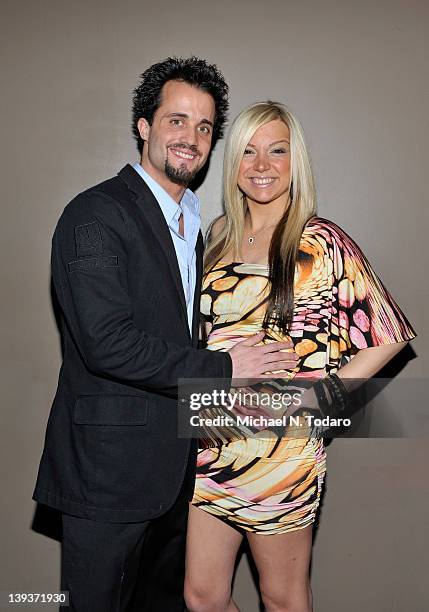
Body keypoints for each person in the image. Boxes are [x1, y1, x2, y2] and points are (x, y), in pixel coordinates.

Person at [32, 62, 298, 612]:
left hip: (181, 470)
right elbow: (106, 342)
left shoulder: (197, 221)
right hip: (108, 474)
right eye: (176, 120)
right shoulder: (96, 215)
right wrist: (226, 369)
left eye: (204, 127)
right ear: (143, 126)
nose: (191, 137)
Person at [184, 101, 416, 612]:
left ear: (296, 162)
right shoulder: (217, 234)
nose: (261, 164)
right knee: (200, 597)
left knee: (282, 597)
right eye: (248, 151)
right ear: (233, 163)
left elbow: (389, 334)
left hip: (281, 451)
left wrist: (320, 404)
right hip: (210, 442)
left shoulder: (320, 239)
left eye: (277, 151)